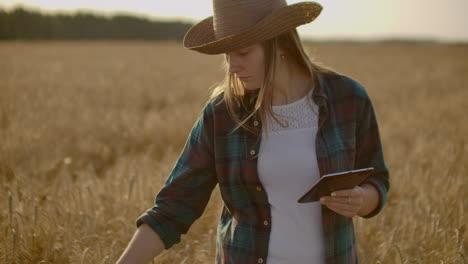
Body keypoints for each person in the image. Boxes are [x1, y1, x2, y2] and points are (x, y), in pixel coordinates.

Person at [116, 0, 390, 263]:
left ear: (280, 42)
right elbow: (173, 208)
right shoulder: (222, 114)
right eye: (227, 54)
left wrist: (362, 200)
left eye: (243, 53)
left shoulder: (347, 98)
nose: (233, 67)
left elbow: (376, 178)